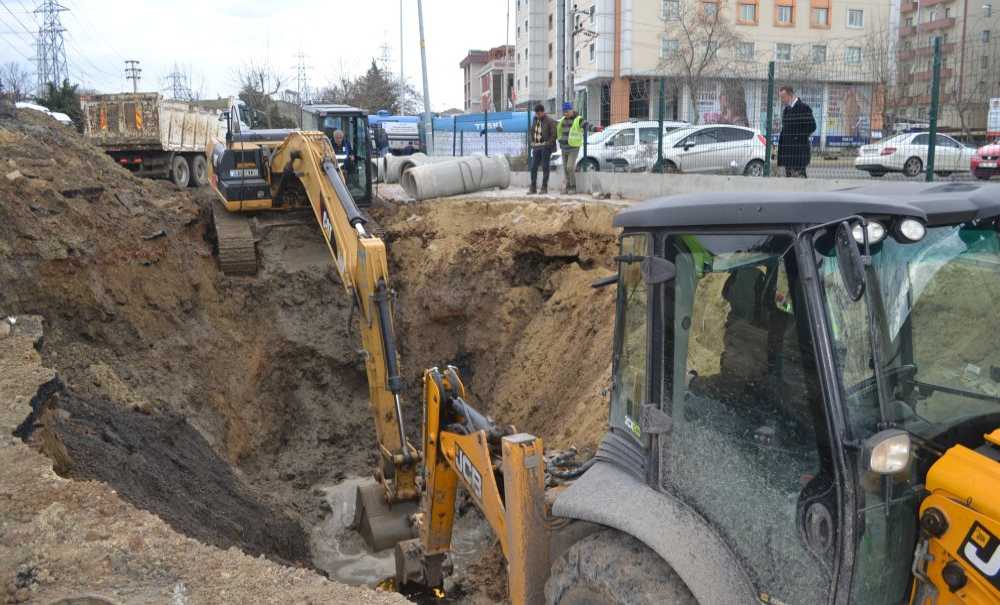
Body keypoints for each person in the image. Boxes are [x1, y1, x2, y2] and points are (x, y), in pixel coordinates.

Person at [777, 86, 816, 178]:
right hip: (787, 154)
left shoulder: (803, 108)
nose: (782, 100)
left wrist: (797, 137)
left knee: (799, 180)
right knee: (789, 183)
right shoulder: (786, 110)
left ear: (790, 95)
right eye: (780, 97)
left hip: (799, 153)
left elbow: (812, 127)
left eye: (783, 97)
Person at [556, 102, 585, 194]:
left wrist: (594, 128)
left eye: (567, 112)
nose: (565, 114)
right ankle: (567, 187)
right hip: (564, 148)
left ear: (572, 110)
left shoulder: (578, 119)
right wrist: (560, 141)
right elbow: (558, 130)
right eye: (564, 112)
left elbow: (585, 124)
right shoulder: (562, 120)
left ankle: (573, 187)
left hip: (573, 147)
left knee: (569, 167)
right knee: (565, 168)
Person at [528, 103, 556, 194]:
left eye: (539, 113)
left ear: (543, 112)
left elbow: (554, 135)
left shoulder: (549, 121)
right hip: (536, 147)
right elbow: (531, 132)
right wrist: (531, 142)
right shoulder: (535, 120)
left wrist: (547, 144)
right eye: (536, 113)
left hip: (546, 147)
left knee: (545, 167)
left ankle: (544, 187)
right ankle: (533, 187)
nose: (537, 115)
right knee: (533, 167)